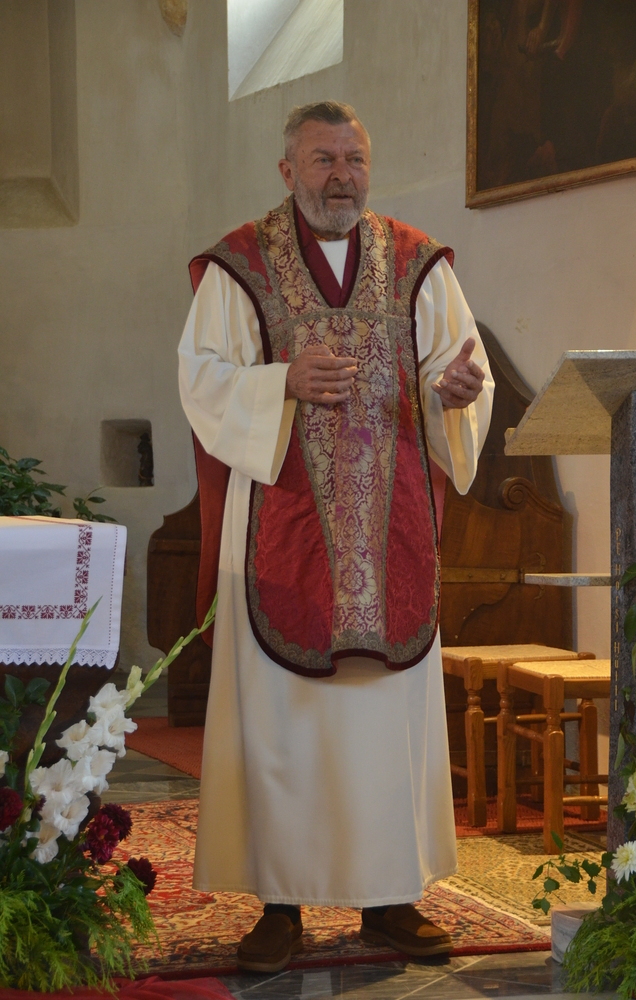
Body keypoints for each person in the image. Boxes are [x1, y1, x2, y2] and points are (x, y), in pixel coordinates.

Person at [178, 101, 494, 973]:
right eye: (323, 160)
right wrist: (281, 382)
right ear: (288, 171)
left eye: (354, 159)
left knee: (384, 724)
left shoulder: (417, 261)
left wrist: (456, 393)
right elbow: (202, 381)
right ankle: (279, 907)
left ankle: (390, 900)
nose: (341, 176)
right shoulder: (241, 265)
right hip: (281, 529)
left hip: (392, 533)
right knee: (281, 722)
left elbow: (457, 367)